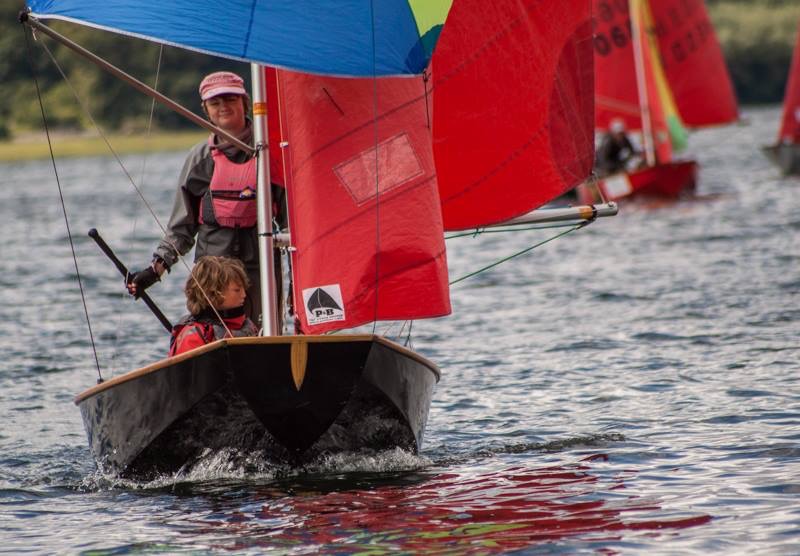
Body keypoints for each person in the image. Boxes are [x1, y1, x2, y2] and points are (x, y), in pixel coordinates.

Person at [126, 70, 285, 325]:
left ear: (245, 102)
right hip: (212, 272)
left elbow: (294, 224)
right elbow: (181, 227)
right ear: (206, 110)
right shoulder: (200, 159)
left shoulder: (270, 153)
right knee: (213, 330)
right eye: (215, 102)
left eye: (230, 99)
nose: (223, 106)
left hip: (260, 268)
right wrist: (154, 271)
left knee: (260, 330)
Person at [169, 256, 259, 356]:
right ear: (213, 293)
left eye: (244, 289)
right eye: (237, 290)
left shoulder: (247, 326)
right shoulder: (193, 337)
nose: (244, 295)